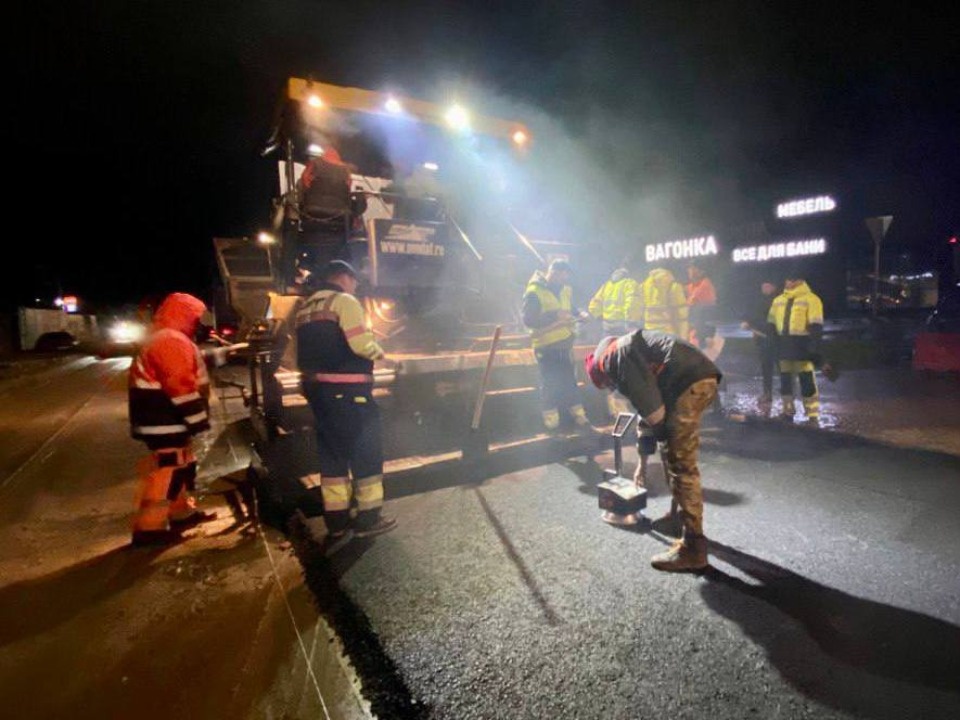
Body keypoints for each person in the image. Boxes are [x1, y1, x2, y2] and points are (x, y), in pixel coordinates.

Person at [584, 330, 721, 572]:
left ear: (602, 371)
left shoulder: (615, 359)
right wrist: (643, 463)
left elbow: (653, 413)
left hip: (688, 384)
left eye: (608, 385)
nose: (613, 389)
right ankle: (678, 518)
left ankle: (694, 549)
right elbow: (646, 413)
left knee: (680, 463)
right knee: (672, 451)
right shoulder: (627, 349)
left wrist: (663, 441)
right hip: (698, 379)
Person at [296, 260, 396, 548]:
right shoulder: (344, 301)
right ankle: (368, 520)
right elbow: (359, 344)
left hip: (319, 393)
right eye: (354, 280)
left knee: (333, 460)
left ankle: (337, 524)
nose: (355, 286)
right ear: (343, 277)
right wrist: (383, 355)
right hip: (350, 394)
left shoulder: (306, 307)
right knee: (366, 453)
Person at [128, 292, 218, 546]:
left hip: (165, 419)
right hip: (163, 419)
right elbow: (180, 385)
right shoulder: (170, 340)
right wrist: (198, 420)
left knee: (180, 463)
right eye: (197, 318)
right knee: (168, 469)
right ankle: (149, 529)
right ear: (184, 315)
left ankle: (181, 513)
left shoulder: (170, 337)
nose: (200, 323)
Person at [522, 258, 592, 432]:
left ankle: (579, 416)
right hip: (546, 346)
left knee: (569, 380)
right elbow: (529, 320)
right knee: (550, 383)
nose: (564, 280)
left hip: (564, 344)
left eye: (566, 277)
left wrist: (581, 313)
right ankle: (551, 421)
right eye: (562, 276)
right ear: (552, 272)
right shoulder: (534, 292)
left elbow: (571, 308)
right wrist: (555, 315)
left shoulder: (565, 289)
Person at [768, 269, 825, 423]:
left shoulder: (812, 299)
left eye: (790, 280)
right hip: (784, 346)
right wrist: (773, 344)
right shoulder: (778, 300)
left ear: (799, 281)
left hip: (802, 346)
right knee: (785, 381)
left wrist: (814, 348)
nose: (787, 283)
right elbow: (771, 325)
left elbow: (816, 326)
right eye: (787, 280)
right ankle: (788, 412)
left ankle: (812, 414)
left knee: (806, 380)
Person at [587, 259, 643, 417]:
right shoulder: (630, 284)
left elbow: (594, 305)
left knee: (609, 365)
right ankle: (628, 406)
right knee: (627, 365)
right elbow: (632, 303)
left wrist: (596, 317)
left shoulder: (607, 285)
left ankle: (615, 408)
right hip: (623, 329)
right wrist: (631, 323)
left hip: (607, 329)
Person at [740, 280, 779, 406]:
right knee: (766, 366)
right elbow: (753, 314)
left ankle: (787, 394)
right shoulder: (760, 300)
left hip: (776, 338)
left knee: (782, 367)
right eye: (762, 286)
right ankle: (767, 393)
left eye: (766, 285)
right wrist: (747, 322)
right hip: (762, 339)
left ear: (773, 286)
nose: (763, 288)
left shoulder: (778, 300)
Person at [640, 266, 689, 340]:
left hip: (649, 334)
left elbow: (640, 310)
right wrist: (684, 339)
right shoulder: (674, 286)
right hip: (668, 334)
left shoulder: (644, 286)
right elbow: (681, 315)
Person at [685, 262, 717, 350]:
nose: (690, 271)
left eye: (693, 268)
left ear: (701, 272)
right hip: (697, 328)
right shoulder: (691, 286)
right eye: (689, 268)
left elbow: (689, 304)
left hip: (704, 331)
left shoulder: (705, 285)